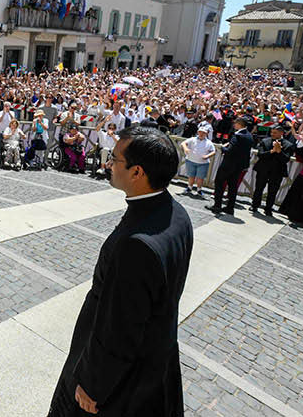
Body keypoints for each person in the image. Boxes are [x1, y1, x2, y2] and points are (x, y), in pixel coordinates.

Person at [49, 126, 192, 417]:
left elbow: (120, 327)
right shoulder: (177, 213)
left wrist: (92, 384)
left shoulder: (136, 246)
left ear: (137, 172)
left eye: (114, 159)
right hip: (156, 357)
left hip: (121, 378)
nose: (107, 164)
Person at [211, 116, 254, 215]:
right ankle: (230, 208)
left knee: (219, 184)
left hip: (229, 164)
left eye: (235, 123)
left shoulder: (238, 135)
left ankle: (217, 206)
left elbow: (230, 150)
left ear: (239, 124)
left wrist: (223, 148)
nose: (234, 125)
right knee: (233, 187)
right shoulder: (249, 135)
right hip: (239, 166)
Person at [250, 126, 293, 216]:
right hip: (263, 169)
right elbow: (260, 154)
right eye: (272, 132)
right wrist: (272, 151)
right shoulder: (265, 141)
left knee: (273, 191)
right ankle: (254, 205)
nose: (272, 134)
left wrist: (279, 151)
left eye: (275, 133)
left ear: (281, 133)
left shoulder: (288, 145)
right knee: (259, 188)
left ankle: (268, 209)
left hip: (277, 172)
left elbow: (286, 159)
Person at [181, 124, 215, 198]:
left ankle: (199, 190)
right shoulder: (192, 139)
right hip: (190, 160)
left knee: (200, 178)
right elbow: (183, 143)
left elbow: (213, 151)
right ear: (198, 132)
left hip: (203, 163)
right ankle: (189, 188)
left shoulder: (209, 142)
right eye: (200, 132)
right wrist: (185, 148)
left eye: (203, 133)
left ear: (206, 134)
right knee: (191, 176)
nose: (201, 134)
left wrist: (207, 156)